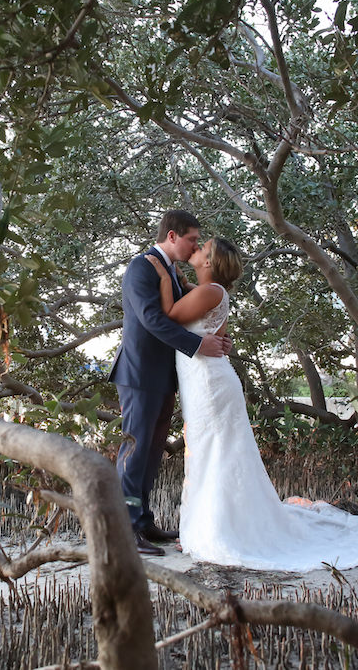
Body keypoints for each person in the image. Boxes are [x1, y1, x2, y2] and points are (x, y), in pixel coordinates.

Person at [145, 237, 358, 571]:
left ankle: (215, 529)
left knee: (214, 452)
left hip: (208, 385)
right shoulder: (208, 292)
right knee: (207, 451)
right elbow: (192, 309)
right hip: (203, 381)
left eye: (202, 248)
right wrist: (180, 279)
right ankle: (206, 525)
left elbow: (170, 314)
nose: (195, 250)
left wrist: (161, 274)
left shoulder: (211, 292)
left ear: (210, 262)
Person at [108, 210, 232, 556]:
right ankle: (126, 528)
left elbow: (193, 312)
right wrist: (198, 345)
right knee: (134, 452)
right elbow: (151, 320)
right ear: (173, 236)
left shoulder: (170, 272)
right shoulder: (142, 267)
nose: (196, 245)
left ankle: (143, 521)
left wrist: (213, 335)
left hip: (165, 376)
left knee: (151, 452)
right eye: (193, 239)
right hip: (139, 374)